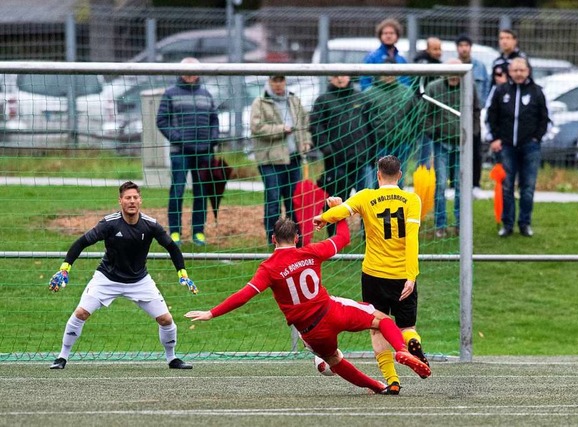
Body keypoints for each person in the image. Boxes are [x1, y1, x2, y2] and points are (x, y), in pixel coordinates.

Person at [185, 214, 431, 395]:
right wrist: (338, 212)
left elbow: (244, 295)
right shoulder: (310, 251)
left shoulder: (269, 268)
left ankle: (377, 386)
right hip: (332, 311)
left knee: (333, 360)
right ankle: (400, 348)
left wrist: (211, 313)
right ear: (297, 237)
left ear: (273, 239)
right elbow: (343, 237)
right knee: (383, 320)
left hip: (311, 331)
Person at [47, 181, 197, 370]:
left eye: (135, 197)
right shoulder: (109, 224)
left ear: (140, 200)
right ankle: (62, 357)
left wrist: (182, 273)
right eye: (128, 198)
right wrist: (65, 268)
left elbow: (172, 247)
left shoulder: (150, 225)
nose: (132, 201)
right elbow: (81, 243)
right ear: (120, 201)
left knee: (166, 320)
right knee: (81, 313)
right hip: (107, 279)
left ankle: (172, 358)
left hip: (139, 281)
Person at [313, 155, 430, 395]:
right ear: (399, 175)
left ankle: (393, 380)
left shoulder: (366, 196)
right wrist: (411, 275)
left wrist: (322, 218)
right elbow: (412, 240)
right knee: (407, 325)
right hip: (401, 275)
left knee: (377, 328)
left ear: (378, 175)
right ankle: (411, 343)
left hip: (374, 274)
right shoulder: (412, 200)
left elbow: (342, 211)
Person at [156, 57, 220, 247]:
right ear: (180, 71)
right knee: (177, 191)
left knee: (201, 192)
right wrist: (179, 139)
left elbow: (214, 120)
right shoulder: (170, 94)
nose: (191, 74)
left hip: (203, 153)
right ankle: (174, 233)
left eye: (194, 71)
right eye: (187, 71)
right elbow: (161, 121)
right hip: (180, 152)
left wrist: (212, 140)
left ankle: (198, 232)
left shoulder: (207, 95)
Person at [486, 57, 550, 238]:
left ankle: (525, 223)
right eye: (515, 70)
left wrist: (537, 138)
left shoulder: (537, 92)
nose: (519, 74)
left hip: (530, 147)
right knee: (506, 186)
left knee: (527, 188)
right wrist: (495, 138)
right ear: (510, 72)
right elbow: (491, 116)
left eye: (522, 70)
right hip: (506, 147)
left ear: (528, 71)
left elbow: (545, 118)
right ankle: (507, 225)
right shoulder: (500, 91)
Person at [250, 75, 313, 246]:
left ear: (285, 81)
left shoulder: (294, 100)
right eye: (274, 81)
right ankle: (273, 240)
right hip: (270, 161)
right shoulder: (260, 102)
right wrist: (280, 129)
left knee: (294, 201)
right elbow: (256, 127)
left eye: (281, 80)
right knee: (273, 200)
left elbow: (304, 124)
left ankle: (294, 239)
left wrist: (306, 141)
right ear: (269, 82)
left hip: (293, 159)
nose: (278, 84)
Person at [424, 59, 481, 238]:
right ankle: (440, 224)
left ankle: (459, 224)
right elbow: (426, 114)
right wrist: (434, 132)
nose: (454, 75)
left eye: (457, 71)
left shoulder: (469, 88)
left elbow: (476, 112)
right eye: (451, 71)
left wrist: (472, 133)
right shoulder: (433, 88)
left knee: (460, 185)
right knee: (440, 184)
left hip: (462, 145)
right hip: (441, 143)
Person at [310, 75, 372, 236]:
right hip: (336, 162)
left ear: (349, 76)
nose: (339, 79)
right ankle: (335, 238)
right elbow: (316, 127)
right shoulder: (323, 100)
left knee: (367, 202)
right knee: (336, 201)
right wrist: (327, 149)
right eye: (336, 76)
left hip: (361, 160)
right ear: (329, 77)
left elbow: (371, 127)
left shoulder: (361, 97)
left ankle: (370, 237)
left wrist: (370, 152)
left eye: (342, 75)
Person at [362, 61, 420, 188]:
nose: (389, 75)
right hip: (379, 146)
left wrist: (410, 139)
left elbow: (416, 118)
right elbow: (363, 122)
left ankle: (398, 208)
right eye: (386, 71)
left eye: (392, 71)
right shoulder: (368, 94)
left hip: (402, 145)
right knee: (379, 183)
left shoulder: (407, 92)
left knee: (399, 182)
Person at [456, 34, 490, 197]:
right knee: (455, 152)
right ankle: (454, 183)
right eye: (461, 45)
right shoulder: (452, 66)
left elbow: (486, 89)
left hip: (475, 115)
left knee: (476, 151)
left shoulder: (480, 67)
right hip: (454, 116)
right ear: (457, 48)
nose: (464, 48)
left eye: (466, 45)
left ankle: (475, 184)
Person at [413, 36, 443, 168]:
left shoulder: (439, 65)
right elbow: (417, 89)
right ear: (427, 49)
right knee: (424, 148)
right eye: (434, 49)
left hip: (436, 113)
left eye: (439, 48)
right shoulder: (423, 64)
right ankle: (422, 173)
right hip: (423, 113)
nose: (438, 52)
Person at [360, 18, 411, 91]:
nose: (388, 36)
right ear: (380, 36)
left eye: (391, 33)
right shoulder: (372, 57)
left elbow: (406, 82)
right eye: (385, 33)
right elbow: (365, 82)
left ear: (397, 36)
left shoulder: (401, 59)